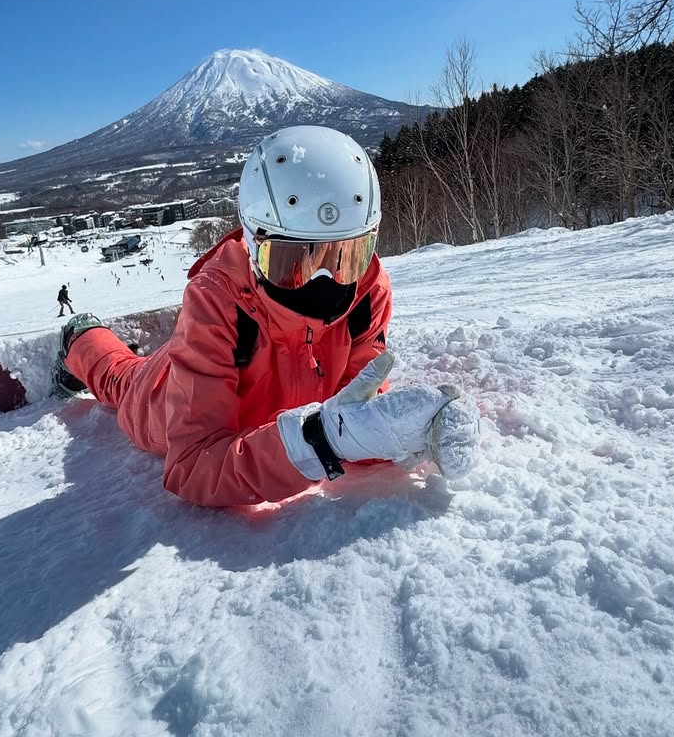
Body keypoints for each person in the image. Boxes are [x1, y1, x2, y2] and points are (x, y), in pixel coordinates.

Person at [53, 125, 480, 507]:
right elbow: (193, 466)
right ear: (254, 244)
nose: (325, 281)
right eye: (294, 261)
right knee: (123, 380)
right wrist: (320, 440)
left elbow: (355, 415)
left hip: (258, 403)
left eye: (344, 256)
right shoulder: (217, 300)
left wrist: (415, 429)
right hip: (171, 402)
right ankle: (81, 336)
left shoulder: (366, 294)